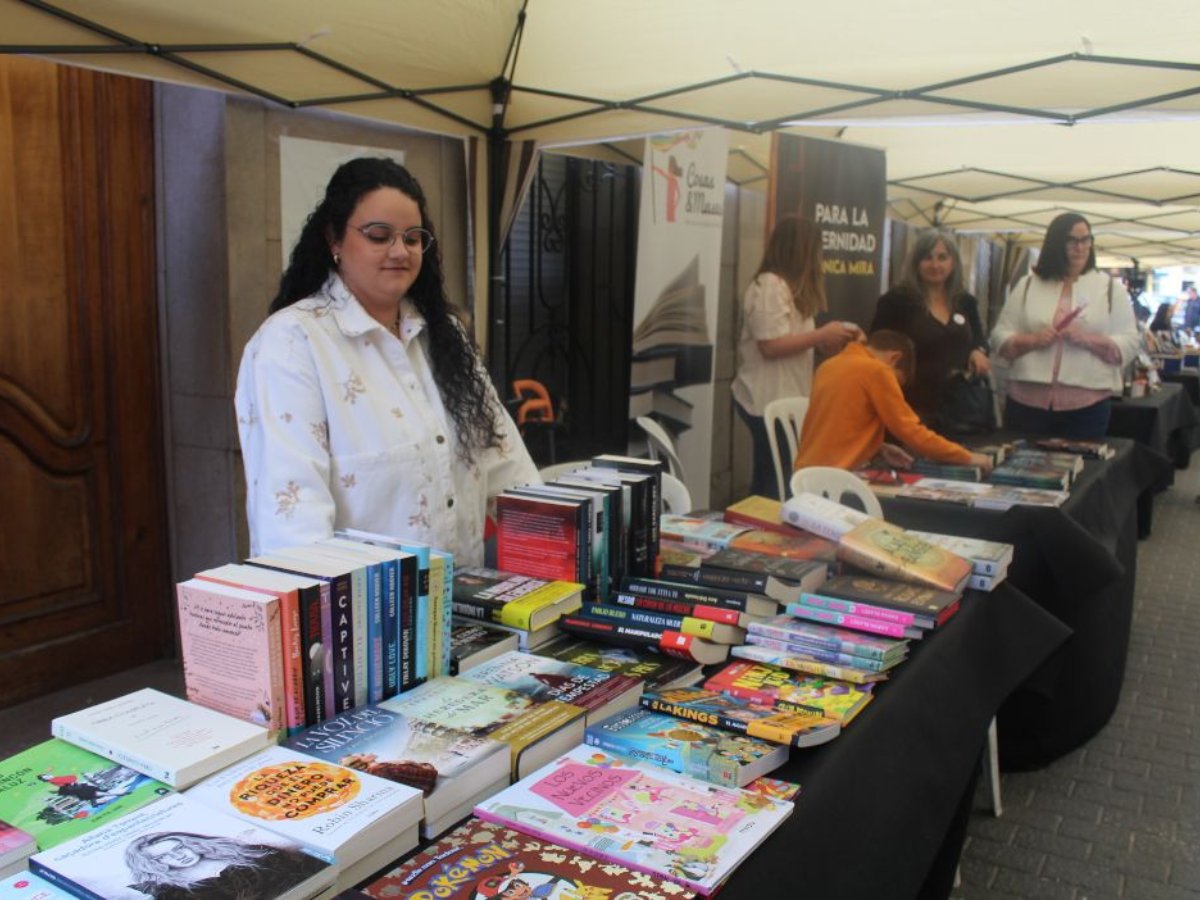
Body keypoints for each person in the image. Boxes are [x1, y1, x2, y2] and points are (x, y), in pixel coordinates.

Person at [236, 157, 538, 563]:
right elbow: (292, 522)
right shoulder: (292, 344)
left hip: (464, 608)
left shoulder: (443, 334)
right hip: (364, 615)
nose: (400, 251)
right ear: (334, 240)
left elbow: (507, 466)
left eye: (413, 238)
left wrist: (556, 547)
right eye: (379, 235)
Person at [731, 216, 860, 498]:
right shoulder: (769, 286)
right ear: (801, 250)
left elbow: (791, 342)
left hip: (783, 398)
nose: (820, 257)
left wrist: (826, 342)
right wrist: (820, 336)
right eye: (816, 249)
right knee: (772, 483)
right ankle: (761, 535)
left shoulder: (791, 288)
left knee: (777, 478)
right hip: (764, 400)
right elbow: (769, 345)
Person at [990, 212, 1140, 439]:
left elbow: (1129, 342)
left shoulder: (1109, 289)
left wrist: (1088, 340)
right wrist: (1033, 340)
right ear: (1056, 243)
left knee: (1084, 472)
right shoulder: (1028, 285)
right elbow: (999, 337)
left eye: (1086, 240)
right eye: (1072, 240)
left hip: (1087, 407)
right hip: (1027, 402)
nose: (1080, 247)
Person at [793, 329, 994, 474]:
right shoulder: (876, 370)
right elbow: (911, 432)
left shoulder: (829, 365)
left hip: (805, 476)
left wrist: (877, 447)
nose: (894, 388)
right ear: (894, 358)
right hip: (838, 480)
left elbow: (837, 427)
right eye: (898, 382)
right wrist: (966, 456)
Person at [869, 230, 990, 426]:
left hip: (961, 412)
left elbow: (979, 339)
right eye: (927, 258)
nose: (935, 265)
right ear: (916, 263)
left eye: (943, 257)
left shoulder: (966, 302)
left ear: (953, 263)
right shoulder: (895, 301)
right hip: (911, 408)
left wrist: (979, 350)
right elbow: (876, 350)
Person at [125, 831, 327, 899]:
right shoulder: (173, 892)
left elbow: (311, 865)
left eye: (179, 847)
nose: (179, 856)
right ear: (152, 864)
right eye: (164, 857)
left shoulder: (250, 851)